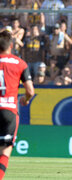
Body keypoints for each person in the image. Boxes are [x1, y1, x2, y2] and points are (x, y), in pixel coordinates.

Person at [0, 30, 34, 179]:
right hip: (9, 111)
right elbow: (30, 91)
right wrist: (25, 100)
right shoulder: (20, 63)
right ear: (11, 46)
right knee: (4, 152)